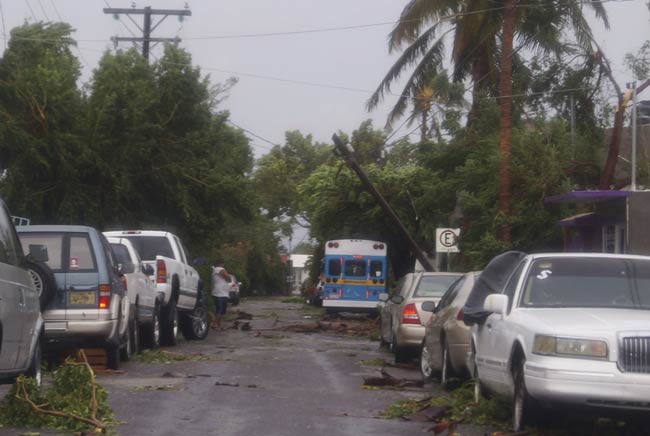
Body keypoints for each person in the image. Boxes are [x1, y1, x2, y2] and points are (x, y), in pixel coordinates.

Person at [211, 259, 232, 330]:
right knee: (221, 309)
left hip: (218, 292)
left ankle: (218, 324)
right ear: (221, 264)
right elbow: (229, 279)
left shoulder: (214, 270)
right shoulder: (220, 269)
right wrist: (227, 275)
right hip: (221, 293)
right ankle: (214, 324)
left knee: (219, 310)